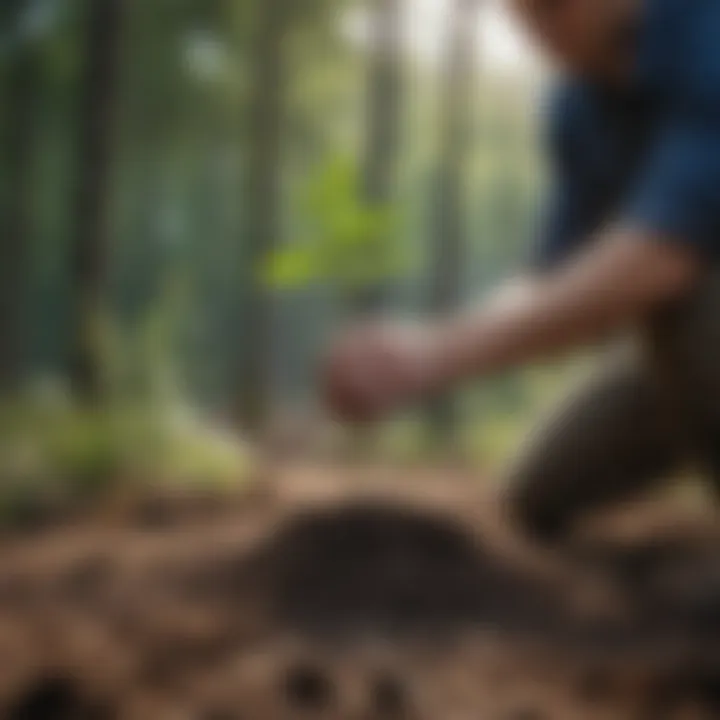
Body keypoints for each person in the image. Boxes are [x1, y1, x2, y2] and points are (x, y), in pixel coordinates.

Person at [322, 0, 720, 544]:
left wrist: (436, 355)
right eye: (522, 10)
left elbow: (662, 259)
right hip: (687, 339)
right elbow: (552, 286)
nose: (535, 22)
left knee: (684, 300)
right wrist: (415, 347)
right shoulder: (578, 107)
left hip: (696, 312)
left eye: (552, 6)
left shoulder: (705, 32)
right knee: (537, 492)